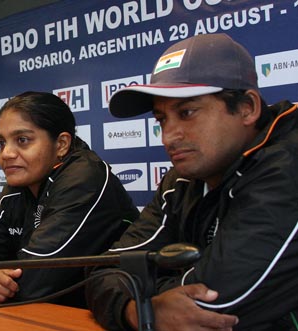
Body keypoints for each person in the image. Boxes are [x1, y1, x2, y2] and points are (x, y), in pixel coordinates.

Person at [86, 33, 298, 330]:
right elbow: (103, 271)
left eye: (187, 113)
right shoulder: (182, 179)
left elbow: (217, 303)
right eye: (162, 119)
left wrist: (147, 294)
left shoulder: (288, 164)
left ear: (247, 108)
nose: (169, 136)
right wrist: (137, 312)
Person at [0, 91, 139, 308]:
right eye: (2, 143)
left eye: (22, 140)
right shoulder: (19, 184)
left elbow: (33, 281)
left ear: (61, 145)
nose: (7, 154)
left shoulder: (85, 177)